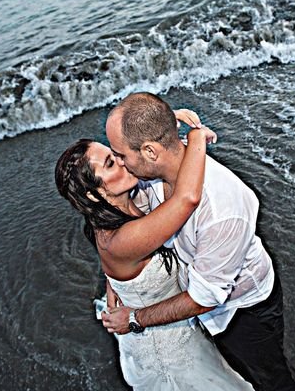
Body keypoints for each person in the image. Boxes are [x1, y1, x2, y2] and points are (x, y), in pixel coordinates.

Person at [101, 92, 295, 391]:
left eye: (121, 155)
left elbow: (204, 298)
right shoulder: (146, 175)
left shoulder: (222, 209)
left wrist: (135, 319)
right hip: (201, 296)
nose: (119, 162)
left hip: (243, 309)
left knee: (269, 377)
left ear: (150, 152)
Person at [55, 113, 253, 390]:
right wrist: (195, 138)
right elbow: (187, 198)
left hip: (183, 331)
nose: (123, 160)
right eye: (112, 163)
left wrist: (161, 123)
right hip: (171, 355)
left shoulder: (115, 211)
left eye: (116, 153)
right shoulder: (123, 239)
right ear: (92, 193)